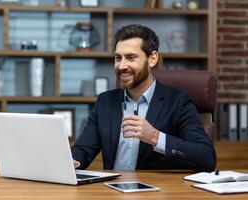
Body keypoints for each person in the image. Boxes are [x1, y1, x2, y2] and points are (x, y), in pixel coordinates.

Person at [71, 24, 216, 172]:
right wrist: (71, 161)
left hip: (155, 191)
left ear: (152, 59)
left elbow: (207, 157)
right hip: (111, 190)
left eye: (131, 58)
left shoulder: (178, 102)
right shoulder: (105, 102)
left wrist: (155, 137)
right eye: (118, 58)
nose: (121, 66)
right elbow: (83, 150)